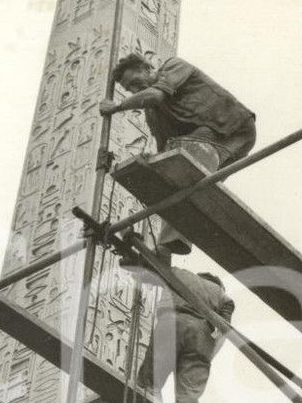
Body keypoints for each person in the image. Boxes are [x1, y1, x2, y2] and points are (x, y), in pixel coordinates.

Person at [100, 53, 257, 256]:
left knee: (186, 170)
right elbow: (165, 148)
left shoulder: (174, 66)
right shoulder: (153, 113)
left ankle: (171, 242)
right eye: (129, 89)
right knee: (187, 188)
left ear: (148, 69)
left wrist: (117, 107)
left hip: (231, 126)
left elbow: (155, 95)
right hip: (209, 140)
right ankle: (167, 249)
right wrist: (153, 164)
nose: (134, 90)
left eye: (135, 82)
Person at [137, 268, 234, 403]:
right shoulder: (225, 298)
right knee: (189, 392)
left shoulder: (179, 273)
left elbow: (144, 275)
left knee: (151, 380)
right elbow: (224, 331)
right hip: (202, 335)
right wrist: (206, 356)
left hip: (172, 322)